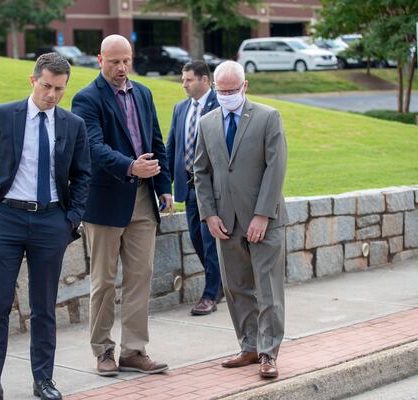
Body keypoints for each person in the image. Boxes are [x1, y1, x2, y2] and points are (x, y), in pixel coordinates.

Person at [0, 53, 91, 400]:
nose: (52, 94)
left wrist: (71, 219)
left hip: (51, 221)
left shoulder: (72, 124)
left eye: (59, 89)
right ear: (32, 80)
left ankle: (44, 380)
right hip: (5, 218)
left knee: (44, 307)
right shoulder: (4, 115)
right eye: (46, 86)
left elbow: (83, 175)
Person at [71, 34, 173, 377]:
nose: (121, 67)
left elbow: (156, 141)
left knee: (140, 277)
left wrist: (164, 186)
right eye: (114, 61)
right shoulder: (86, 99)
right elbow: (93, 148)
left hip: (144, 199)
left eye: (126, 60)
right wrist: (130, 166)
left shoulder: (143, 93)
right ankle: (103, 351)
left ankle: (134, 350)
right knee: (104, 281)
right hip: (105, 203)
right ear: (99, 60)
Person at [193, 60, 288, 379]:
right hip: (225, 222)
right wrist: (208, 214)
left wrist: (262, 214)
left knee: (268, 290)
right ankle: (248, 346)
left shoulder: (267, 117)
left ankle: (268, 353)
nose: (227, 95)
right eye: (221, 91)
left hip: (265, 220)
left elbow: (276, 169)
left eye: (232, 90)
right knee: (236, 288)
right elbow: (201, 172)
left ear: (244, 87)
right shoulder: (206, 123)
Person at [165, 60, 224, 316]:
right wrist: (163, 185)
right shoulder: (181, 109)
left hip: (212, 187)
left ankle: (210, 294)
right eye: (183, 79)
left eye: (188, 79)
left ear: (204, 80)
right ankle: (220, 284)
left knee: (210, 241)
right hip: (188, 186)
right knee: (197, 238)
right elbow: (172, 147)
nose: (184, 84)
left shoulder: (220, 105)